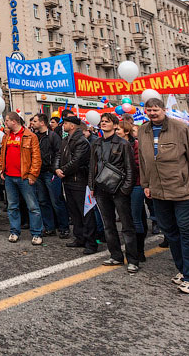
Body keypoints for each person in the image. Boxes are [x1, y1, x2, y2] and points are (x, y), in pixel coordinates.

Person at [138, 98, 189, 295]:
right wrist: (146, 184)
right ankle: (183, 270)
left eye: (156, 110)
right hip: (158, 191)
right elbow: (144, 162)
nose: (152, 113)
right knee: (170, 232)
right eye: (149, 110)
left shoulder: (180, 128)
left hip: (183, 190)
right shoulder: (143, 130)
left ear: (164, 109)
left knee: (188, 233)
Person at [89, 113, 138, 271]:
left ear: (115, 125)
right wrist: (92, 187)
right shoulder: (96, 143)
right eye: (102, 121)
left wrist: (125, 189)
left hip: (119, 189)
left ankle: (132, 260)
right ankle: (116, 255)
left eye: (107, 121)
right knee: (108, 225)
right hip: (101, 189)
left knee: (127, 225)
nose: (103, 123)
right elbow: (92, 167)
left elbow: (131, 168)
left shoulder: (123, 144)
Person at [0, 113, 43, 244]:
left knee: (33, 206)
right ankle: (14, 231)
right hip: (9, 176)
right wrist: (1, 168)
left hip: (24, 177)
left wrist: (33, 174)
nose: (5, 122)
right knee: (12, 206)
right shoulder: (7, 136)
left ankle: (36, 233)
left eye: (7, 120)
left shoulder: (30, 136)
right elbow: (2, 154)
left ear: (14, 121)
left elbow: (36, 157)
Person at [56, 116, 97, 254]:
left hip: (79, 180)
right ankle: (79, 238)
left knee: (85, 213)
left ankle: (91, 242)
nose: (63, 125)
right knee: (74, 212)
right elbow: (58, 155)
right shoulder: (66, 140)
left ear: (72, 126)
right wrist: (56, 169)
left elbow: (77, 160)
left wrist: (63, 170)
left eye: (66, 123)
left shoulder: (81, 141)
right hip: (68, 180)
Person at [31, 113, 70, 239]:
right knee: (43, 201)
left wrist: (55, 168)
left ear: (42, 123)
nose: (33, 123)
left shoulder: (53, 136)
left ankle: (64, 228)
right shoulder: (35, 136)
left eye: (35, 121)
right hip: (39, 173)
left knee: (56, 201)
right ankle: (49, 227)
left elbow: (59, 153)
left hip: (50, 173)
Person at [117, 118, 149, 265]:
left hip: (135, 185)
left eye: (118, 129)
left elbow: (136, 165)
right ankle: (131, 248)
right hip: (120, 185)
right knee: (128, 218)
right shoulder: (115, 144)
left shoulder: (135, 145)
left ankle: (139, 251)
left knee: (135, 218)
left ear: (127, 132)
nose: (116, 131)